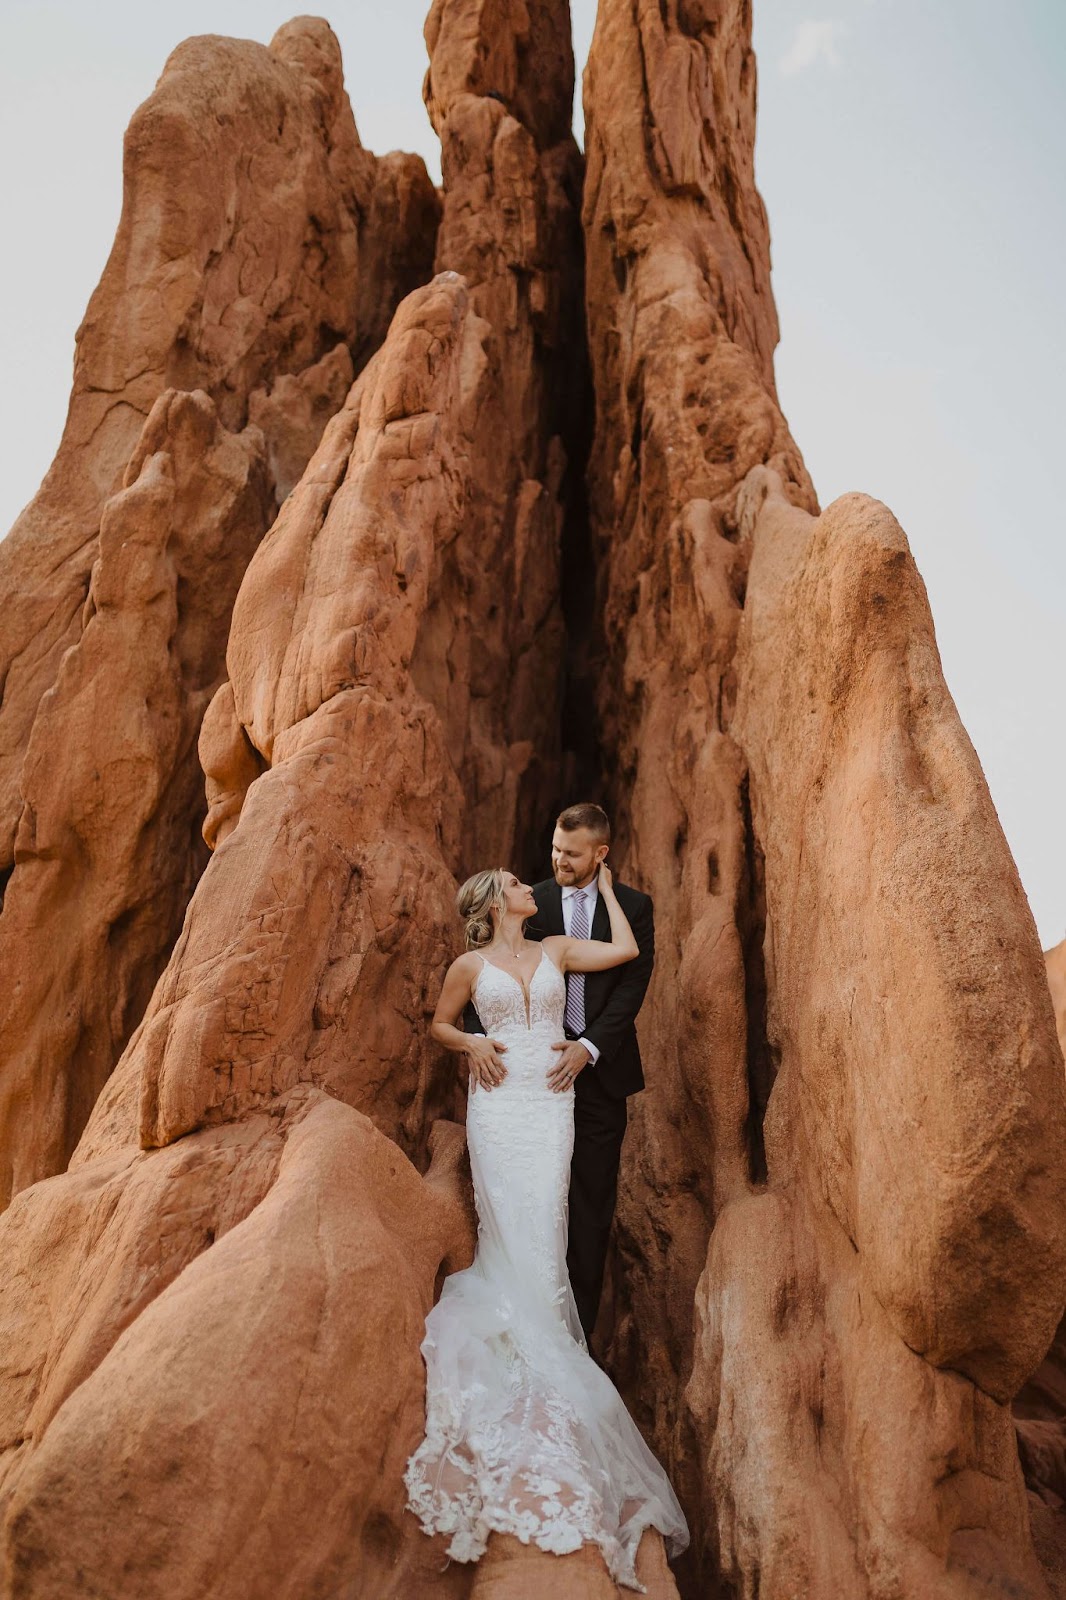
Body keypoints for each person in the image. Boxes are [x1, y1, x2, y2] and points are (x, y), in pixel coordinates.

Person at [404, 860, 687, 1589]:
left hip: (550, 1100)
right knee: (510, 1228)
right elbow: (439, 1023)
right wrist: (471, 1044)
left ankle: (548, 1359)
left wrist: (615, 889)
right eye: (515, 881)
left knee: (548, 1226)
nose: (530, 885)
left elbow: (624, 952)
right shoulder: (470, 963)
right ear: (495, 902)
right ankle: (522, 1366)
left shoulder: (559, 948)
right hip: (498, 1105)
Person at [465, 802, 653, 1341]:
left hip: (599, 1075)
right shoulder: (532, 903)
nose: (558, 860)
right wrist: (480, 1042)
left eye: (571, 854)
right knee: (536, 1201)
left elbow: (631, 987)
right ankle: (522, 1326)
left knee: (589, 1209)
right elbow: (483, 975)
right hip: (528, 1085)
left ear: (600, 853)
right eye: (554, 848)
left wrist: (588, 1047)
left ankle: (577, 1344)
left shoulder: (635, 907)